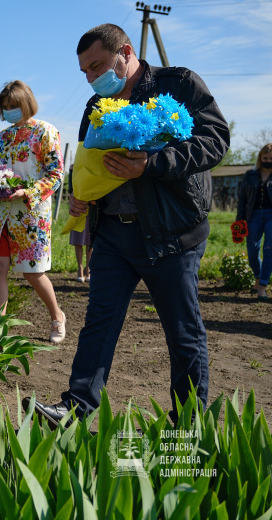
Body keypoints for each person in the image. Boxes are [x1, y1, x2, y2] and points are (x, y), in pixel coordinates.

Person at [24, 24, 229, 426]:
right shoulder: (92, 107)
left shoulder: (179, 84)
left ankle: (187, 424)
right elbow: (87, 163)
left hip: (171, 234)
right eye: (84, 71)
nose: (91, 77)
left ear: (126, 52)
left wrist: (151, 164)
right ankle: (75, 408)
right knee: (98, 324)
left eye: (97, 65)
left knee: (182, 331)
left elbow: (215, 140)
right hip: (113, 232)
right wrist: (82, 194)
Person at [0, 80, 66, 343]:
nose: (9, 111)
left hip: (31, 214)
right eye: (5, 107)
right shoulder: (0, 139)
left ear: (26, 103)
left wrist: (28, 192)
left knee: (32, 272)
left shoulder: (45, 132)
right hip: (0, 215)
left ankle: (57, 316)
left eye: (13, 105)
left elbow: (55, 174)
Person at [237, 143, 272, 299]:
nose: (268, 160)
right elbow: (242, 199)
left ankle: (262, 286)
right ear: (260, 158)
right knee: (252, 250)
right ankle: (258, 276)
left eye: (271, 158)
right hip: (254, 215)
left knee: (269, 250)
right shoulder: (250, 175)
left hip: (271, 216)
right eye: (265, 158)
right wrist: (239, 220)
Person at [67, 164, 93, 282]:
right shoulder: (74, 168)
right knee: (78, 239)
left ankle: (88, 268)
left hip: (91, 206)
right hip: (77, 205)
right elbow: (70, 189)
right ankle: (80, 267)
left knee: (89, 240)